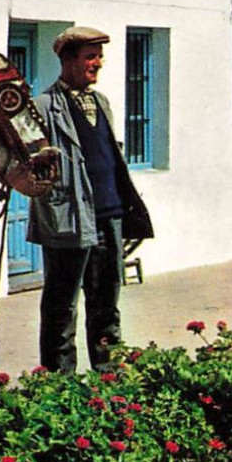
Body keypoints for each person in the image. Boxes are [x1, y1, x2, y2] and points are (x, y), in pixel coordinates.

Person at [28, 27, 153, 373]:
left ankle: (108, 380)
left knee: (107, 302)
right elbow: (28, 163)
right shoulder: (42, 107)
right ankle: (59, 385)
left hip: (108, 214)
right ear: (67, 60)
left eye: (99, 57)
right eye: (89, 56)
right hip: (68, 219)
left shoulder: (102, 103)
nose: (97, 64)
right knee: (62, 305)